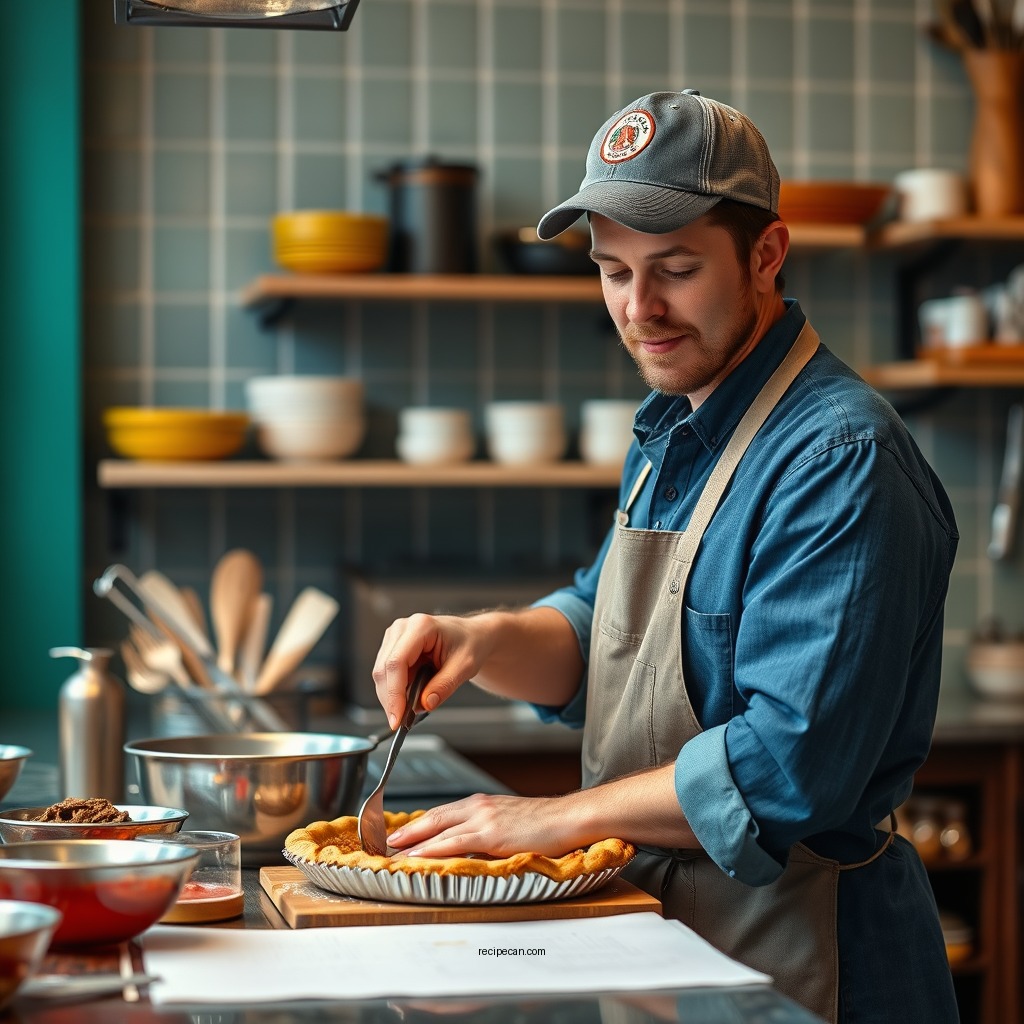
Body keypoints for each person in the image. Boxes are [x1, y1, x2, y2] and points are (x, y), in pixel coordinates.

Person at [372, 90, 960, 1024]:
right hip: (668, 944)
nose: (639, 310)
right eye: (612, 272)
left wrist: (547, 819)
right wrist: (479, 638)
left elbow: (789, 764)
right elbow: (601, 622)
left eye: (676, 270)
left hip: (811, 965)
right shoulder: (672, 427)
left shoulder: (841, 460)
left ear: (766, 255)